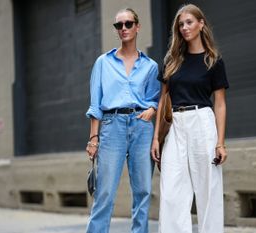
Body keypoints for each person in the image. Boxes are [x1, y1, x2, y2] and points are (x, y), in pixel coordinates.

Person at [151, 4, 229, 233]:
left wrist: (220, 142)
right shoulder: (172, 60)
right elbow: (162, 100)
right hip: (175, 125)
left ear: (201, 23)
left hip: (202, 122)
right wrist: (156, 138)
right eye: (181, 24)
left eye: (189, 22)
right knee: (171, 192)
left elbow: (221, 104)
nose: (184, 28)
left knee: (208, 190)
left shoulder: (213, 61)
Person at [85, 8, 160, 233]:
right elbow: (95, 103)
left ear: (137, 26)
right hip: (111, 125)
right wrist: (93, 138)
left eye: (128, 24)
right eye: (119, 25)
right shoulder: (103, 63)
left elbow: (155, 97)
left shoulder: (151, 66)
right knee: (105, 191)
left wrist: (152, 109)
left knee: (143, 191)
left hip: (141, 127)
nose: (124, 28)